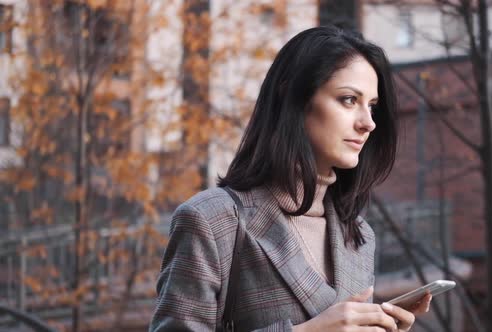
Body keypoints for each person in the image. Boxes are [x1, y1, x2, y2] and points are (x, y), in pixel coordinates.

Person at [149, 26, 432, 332]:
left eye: (372, 106)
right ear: (293, 96)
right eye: (349, 100)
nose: (368, 123)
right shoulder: (212, 219)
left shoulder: (359, 235)